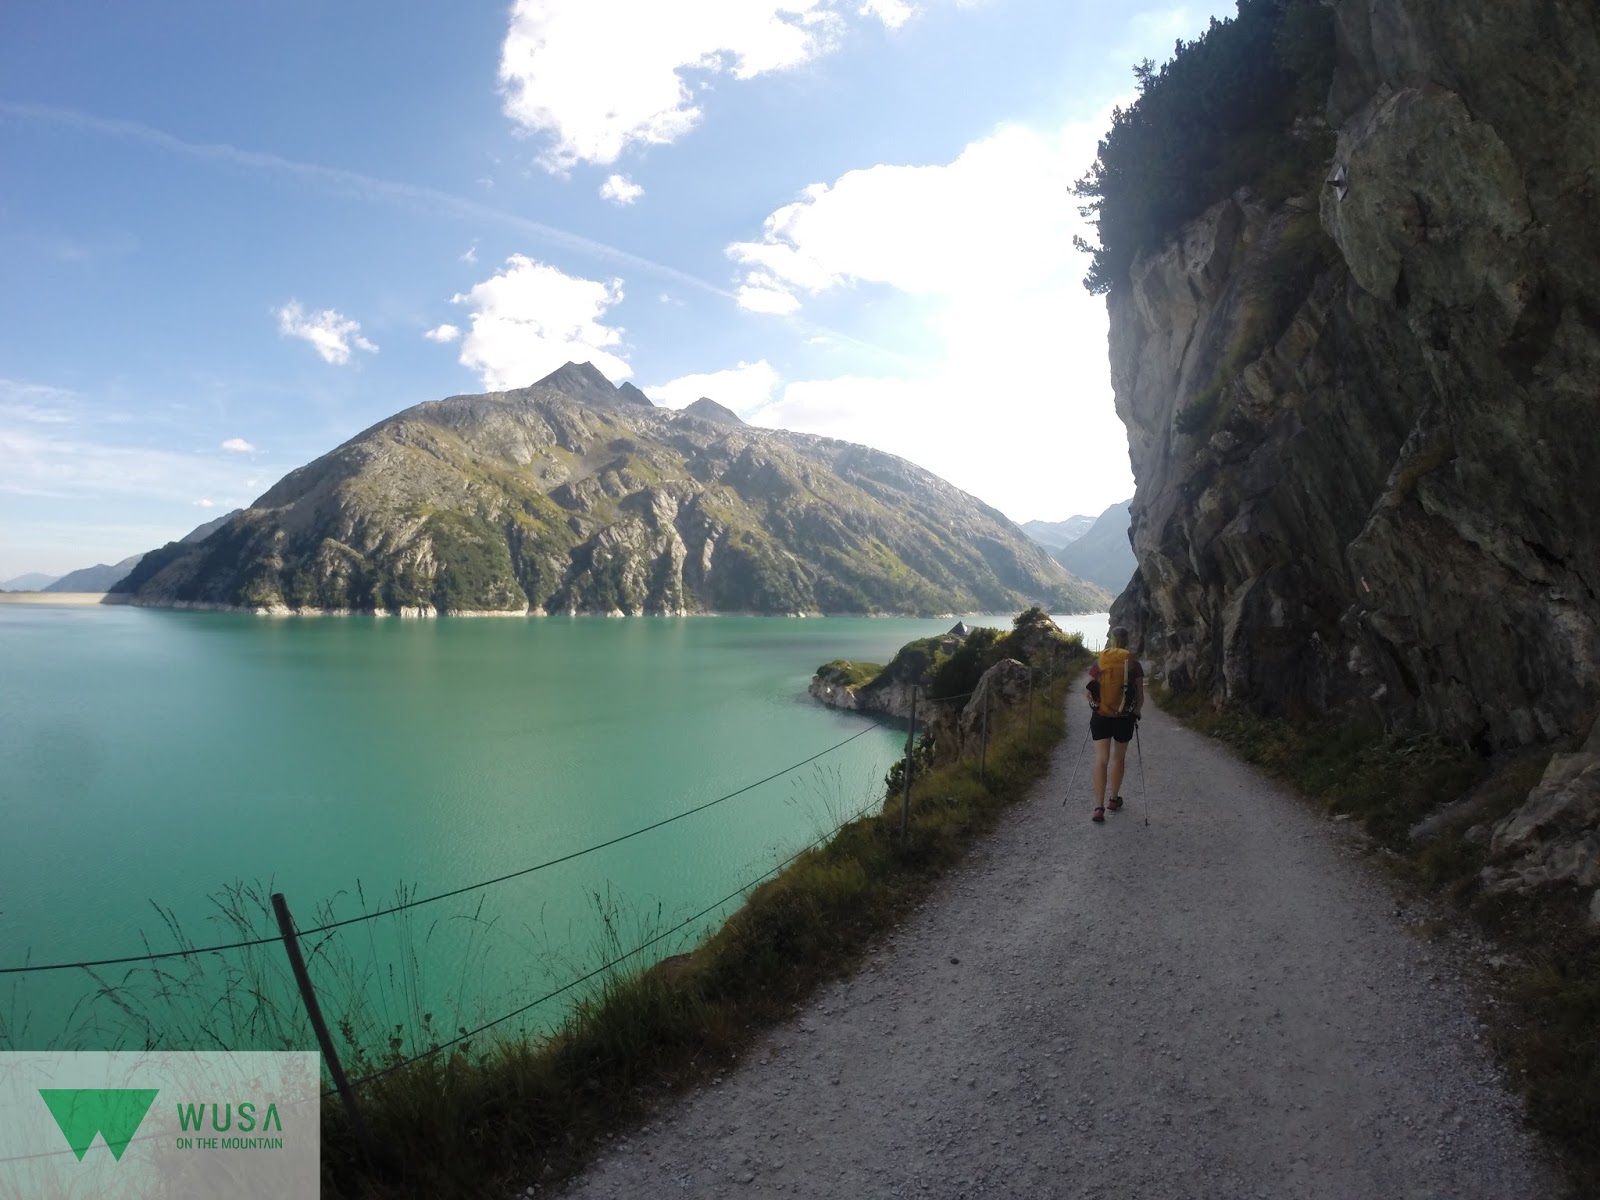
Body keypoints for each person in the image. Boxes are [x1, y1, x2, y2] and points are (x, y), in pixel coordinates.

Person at [1085, 625, 1143, 823]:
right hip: (1124, 717)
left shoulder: (1100, 660)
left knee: (1101, 759)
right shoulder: (1133, 662)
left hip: (1100, 715)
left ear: (1111, 640)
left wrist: (1095, 706)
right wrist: (1135, 711)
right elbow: (1140, 696)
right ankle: (1113, 799)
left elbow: (1089, 690)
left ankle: (1098, 807)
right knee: (1118, 759)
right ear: (1127, 640)